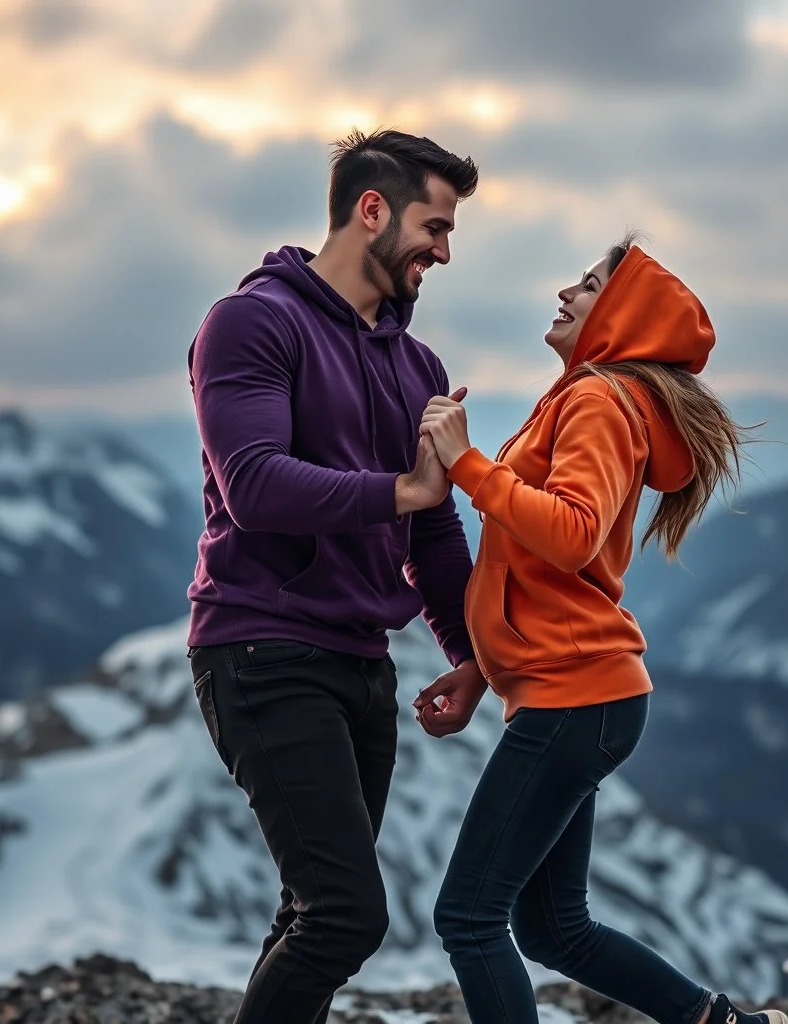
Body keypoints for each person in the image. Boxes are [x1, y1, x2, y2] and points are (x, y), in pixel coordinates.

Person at [413, 237, 788, 1024]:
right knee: (554, 928)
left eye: (586, 286)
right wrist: (480, 672)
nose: (564, 292)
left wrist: (468, 465)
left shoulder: (597, 402)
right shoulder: (586, 397)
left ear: (621, 314)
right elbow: (532, 568)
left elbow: (574, 533)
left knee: (469, 916)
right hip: (578, 694)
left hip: (574, 698)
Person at [185, 129, 488, 1024]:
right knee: (349, 916)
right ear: (372, 211)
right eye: (434, 226)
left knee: (312, 912)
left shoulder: (417, 366)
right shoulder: (251, 322)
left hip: (364, 664)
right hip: (262, 647)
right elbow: (255, 487)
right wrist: (402, 486)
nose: (443, 250)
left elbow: (432, 531)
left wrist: (472, 657)